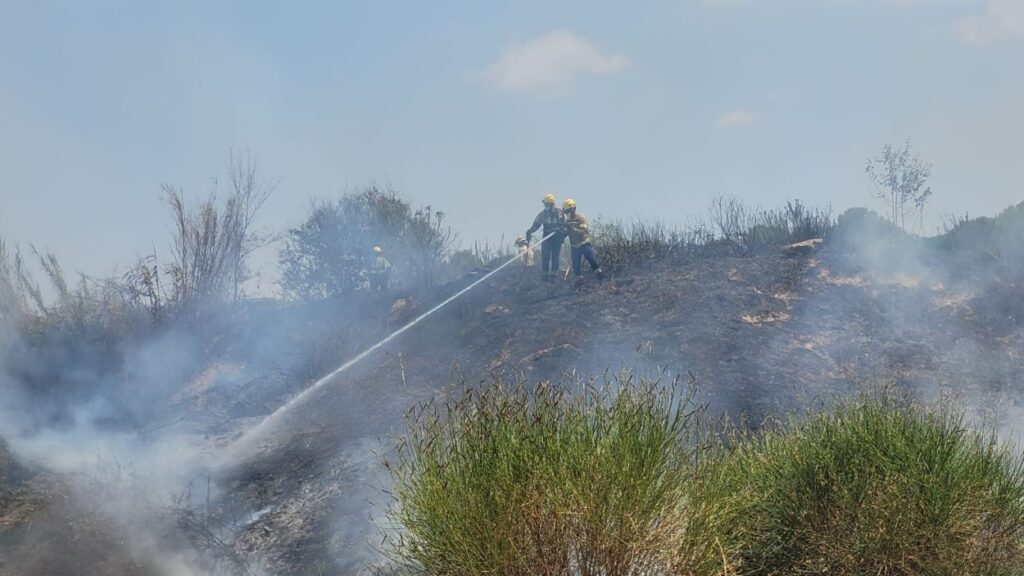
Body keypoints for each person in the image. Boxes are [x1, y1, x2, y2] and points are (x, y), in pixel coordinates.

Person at [525, 193, 566, 282]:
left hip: (556, 238)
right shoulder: (542, 214)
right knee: (545, 256)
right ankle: (545, 276)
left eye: (547, 204)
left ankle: (554, 276)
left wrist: (561, 231)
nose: (545, 205)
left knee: (555, 256)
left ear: (551, 204)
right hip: (546, 237)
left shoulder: (559, 213)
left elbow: (565, 224)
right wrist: (530, 231)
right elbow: (536, 225)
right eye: (545, 204)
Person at [562, 199, 604, 280]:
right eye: (566, 212)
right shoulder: (568, 221)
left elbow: (583, 232)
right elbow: (566, 233)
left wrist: (572, 228)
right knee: (576, 267)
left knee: (593, 262)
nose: (567, 214)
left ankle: (600, 279)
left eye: (568, 211)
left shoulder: (581, 218)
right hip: (574, 247)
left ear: (573, 209)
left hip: (584, 245)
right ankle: (579, 282)